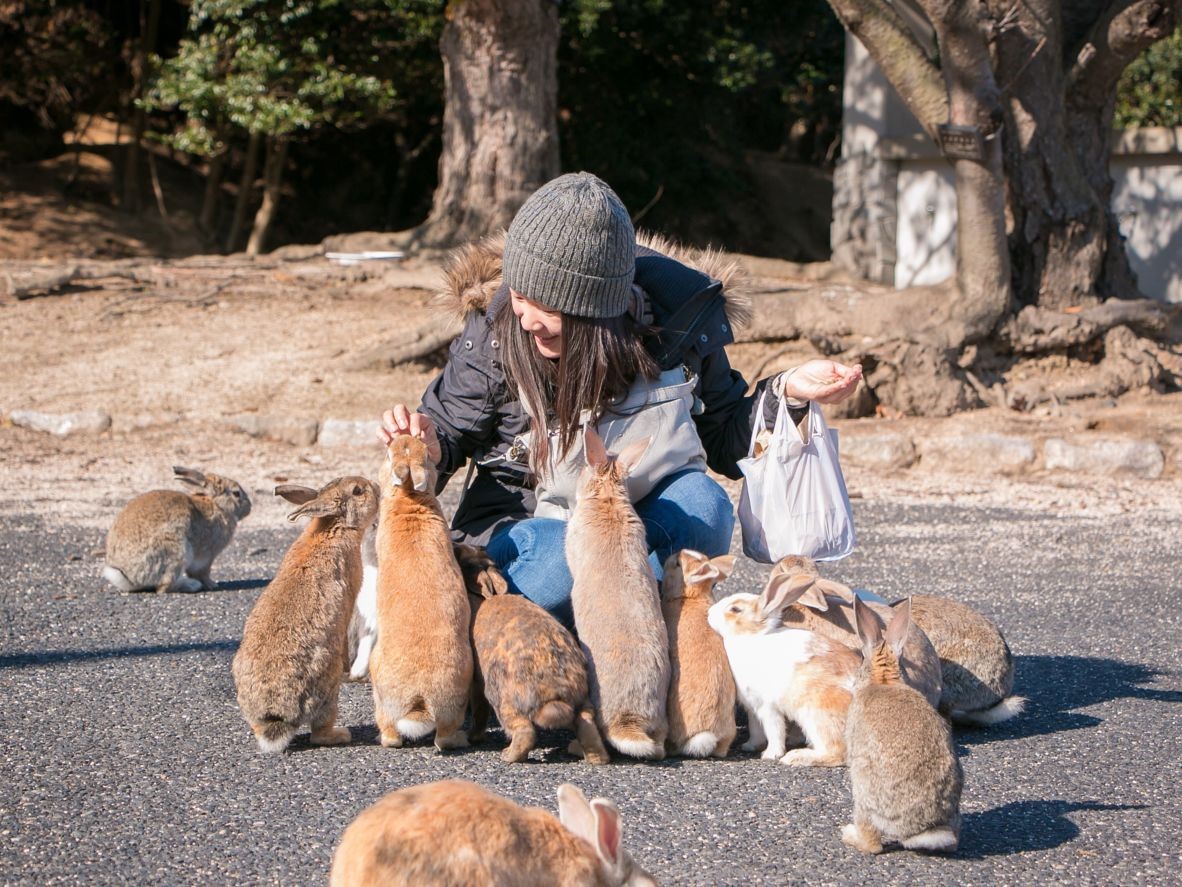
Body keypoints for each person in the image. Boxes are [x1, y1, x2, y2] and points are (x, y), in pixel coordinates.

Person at [380, 172, 861, 627]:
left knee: (704, 506)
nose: (527, 319)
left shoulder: (677, 326)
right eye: (520, 297)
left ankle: (623, 633)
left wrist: (790, 391)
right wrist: (427, 446)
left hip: (625, 514)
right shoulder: (496, 327)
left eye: (549, 309)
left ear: (600, 311)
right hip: (527, 523)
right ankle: (529, 634)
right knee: (558, 563)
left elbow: (725, 439)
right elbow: (447, 430)